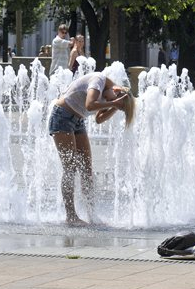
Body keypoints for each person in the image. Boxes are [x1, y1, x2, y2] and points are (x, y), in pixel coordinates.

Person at [48, 72, 135, 225]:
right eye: (111, 99)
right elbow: (89, 105)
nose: (108, 101)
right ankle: (71, 216)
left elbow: (99, 119)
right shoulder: (98, 80)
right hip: (61, 117)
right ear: (115, 90)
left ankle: (92, 216)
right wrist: (114, 103)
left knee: (86, 169)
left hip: (78, 120)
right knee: (70, 168)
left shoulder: (109, 94)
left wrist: (115, 107)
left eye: (112, 102)